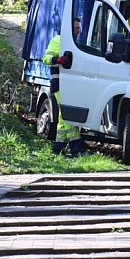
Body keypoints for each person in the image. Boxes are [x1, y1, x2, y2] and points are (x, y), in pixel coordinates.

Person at [42, 17, 85, 156]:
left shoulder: (72, 42)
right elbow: (46, 58)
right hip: (60, 83)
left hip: (67, 84)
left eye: (79, 27)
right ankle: (76, 148)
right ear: (69, 28)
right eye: (76, 28)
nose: (79, 30)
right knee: (68, 115)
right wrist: (57, 60)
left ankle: (57, 148)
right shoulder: (58, 40)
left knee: (62, 118)